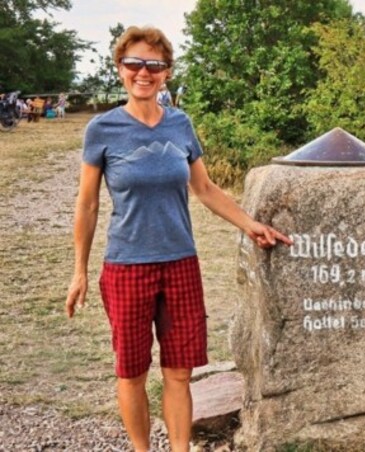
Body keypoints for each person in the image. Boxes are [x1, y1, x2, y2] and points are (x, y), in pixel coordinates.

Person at [64, 26, 292, 452]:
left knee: (179, 372)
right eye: (134, 63)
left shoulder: (181, 124)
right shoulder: (103, 129)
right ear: (120, 69)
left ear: (167, 73)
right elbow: (88, 205)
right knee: (131, 371)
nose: (143, 73)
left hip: (180, 263)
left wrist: (249, 223)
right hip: (127, 266)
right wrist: (78, 271)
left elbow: (204, 189)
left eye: (154, 65)